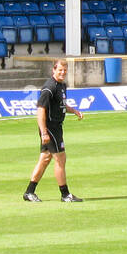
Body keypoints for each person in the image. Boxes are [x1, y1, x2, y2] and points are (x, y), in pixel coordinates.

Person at [23, 59, 84, 203]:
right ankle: (65, 194)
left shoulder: (62, 86)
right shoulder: (49, 87)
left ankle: (29, 192)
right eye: (60, 70)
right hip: (50, 128)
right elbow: (40, 110)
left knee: (44, 159)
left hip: (56, 126)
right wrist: (44, 132)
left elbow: (60, 104)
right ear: (54, 70)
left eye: (64, 71)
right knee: (60, 159)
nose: (62, 73)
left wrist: (74, 111)